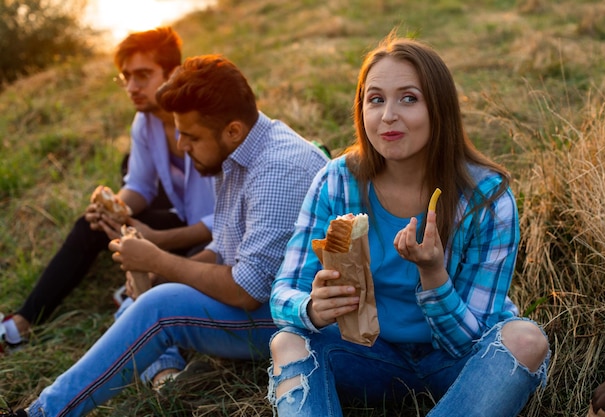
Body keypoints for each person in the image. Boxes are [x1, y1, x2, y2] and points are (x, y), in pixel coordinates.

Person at [0, 54, 328, 417]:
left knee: (161, 307)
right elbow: (224, 247)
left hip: (307, 325)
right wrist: (156, 274)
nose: (182, 146)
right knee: (153, 297)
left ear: (232, 129)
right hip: (276, 307)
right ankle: (164, 368)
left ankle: (42, 413)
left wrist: (159, 261)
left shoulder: (278, 169)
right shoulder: (236, 153)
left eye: (190, 136)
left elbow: (246, 290)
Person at [267, 34, 551, 416]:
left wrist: (433, 274)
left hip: (457, 364)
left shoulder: (486, 197)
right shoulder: (336, 181)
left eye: (409, 98)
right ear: (361, 108)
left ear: (440, 108)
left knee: (526, 340)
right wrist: (312, 309)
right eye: (376, 99)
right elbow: (283, 293)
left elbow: (469, 339)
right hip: (366, 354)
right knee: (287, 342)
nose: (388, 116)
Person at [0, 27, 215, 353]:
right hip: (183, 219)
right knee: (92, 223)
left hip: (219, 243)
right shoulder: (145, 121)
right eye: (126, 76)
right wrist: (115, 208)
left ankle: (144, 284)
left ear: (173, 73)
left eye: (142, 75)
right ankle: (22, 324)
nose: (131, 87)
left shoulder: (205, 121)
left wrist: (157, 241)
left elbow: (220, 223)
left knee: (160, 250)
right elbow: (140, 187)